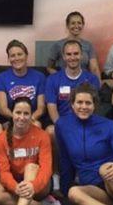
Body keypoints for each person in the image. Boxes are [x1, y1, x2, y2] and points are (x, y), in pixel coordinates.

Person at [56, 82, 113, 205]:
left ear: (95, 105)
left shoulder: (109, 125)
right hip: (94, 188)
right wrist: (63, 190)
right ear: (72, 104)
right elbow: (65, 160)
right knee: (73, 192)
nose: (83, 107)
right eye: (79, 102)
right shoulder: (62, 125)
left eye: (88, 103)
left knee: (104, 168)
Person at [45, 40, 100, 191]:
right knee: (51, 131)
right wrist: (61, 127)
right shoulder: (53, 80)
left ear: (82, 56)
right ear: (63, 56)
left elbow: (94, 107)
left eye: (76, 54)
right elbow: (52, 107)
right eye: (68, 54)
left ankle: (83, 172)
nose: (72, 57)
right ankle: (56, 175)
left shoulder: (92, 79)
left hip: (86, 122)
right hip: (62, 123)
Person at [0, 97, 53, 205]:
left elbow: (46, 168)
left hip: (39, 184)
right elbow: (3, 172)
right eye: (18, 112)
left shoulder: (42, 136)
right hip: (17, 182)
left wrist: (33, 186)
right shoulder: (1, 139)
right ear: (12, 114)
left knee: (30, 167)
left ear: (31, 115)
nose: (21, 117)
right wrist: (15, 187)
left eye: (26, 113)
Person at [0, 40, 46, 127]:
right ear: (9, 59)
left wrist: (29, 119)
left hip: (32, 119)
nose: (16, 58)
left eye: (20, 54)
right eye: (12, 56)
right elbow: (3, 109)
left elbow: (41, 108)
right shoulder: (2, 78)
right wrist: (17, 119)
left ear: (26, 56)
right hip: (10, 120)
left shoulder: (39, 77)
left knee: (37, 125)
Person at [47, 11, 101, 78]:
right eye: (73, 23)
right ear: (67, 25)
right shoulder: (57, 45)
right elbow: (49, 67)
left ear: (83, 25)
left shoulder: (88, 45)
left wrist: (98, 85)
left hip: (84, 84)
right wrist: (60, 77)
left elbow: (94, 69)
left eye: (79, 23)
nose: (76, 26)